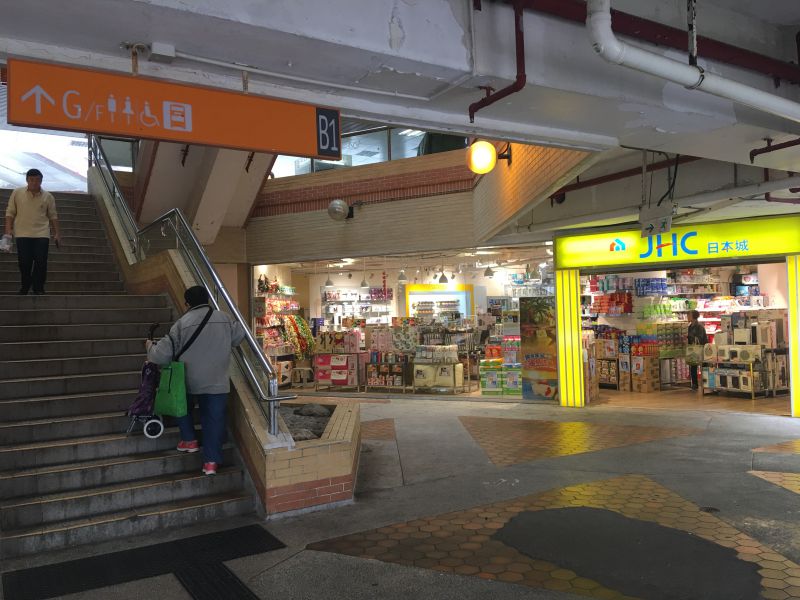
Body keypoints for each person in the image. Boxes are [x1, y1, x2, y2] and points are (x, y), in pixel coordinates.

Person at [146, 286, 246, 475]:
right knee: (214, 420)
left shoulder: (182, 323)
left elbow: (161, 355)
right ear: (207, 299)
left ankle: (189, 440)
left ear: (187, 303)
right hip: (217, 381)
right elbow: (239, 336)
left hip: (189, 380)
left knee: (180, 404)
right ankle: (211, 463)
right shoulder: (224, 318)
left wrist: (150, 346)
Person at [4, 169, 61, 295]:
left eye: (37, 180)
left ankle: (38, 287)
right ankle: (25, 285)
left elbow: (53, 215)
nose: (34, 182)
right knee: (24, 262)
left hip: (42, 233)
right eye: (31, 180)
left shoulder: (48, 197)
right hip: (22, 233)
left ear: (41, 180)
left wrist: (57, 233)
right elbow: (10, 212)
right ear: (27, 180)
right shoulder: (17, 193)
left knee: (41, 261)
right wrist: (8, 230)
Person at [687, 309, 708, 391]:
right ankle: (695, 384)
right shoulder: (690, 327)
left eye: (689, 315)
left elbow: (700, 338)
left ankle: (706, 382)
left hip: (701, 349)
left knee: (703, 366)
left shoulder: (699, 327)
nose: (688, 317)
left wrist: (690, 337)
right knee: (693, 366)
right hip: (693, 349)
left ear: (694, 316)